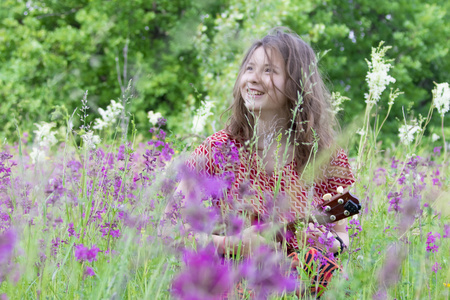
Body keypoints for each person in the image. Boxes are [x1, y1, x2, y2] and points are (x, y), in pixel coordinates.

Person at [165, 27, 356, 298]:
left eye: (269, 71)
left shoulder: (326, 155)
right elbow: (169, 227)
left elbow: (342, 237)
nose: (253, 79)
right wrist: (231, 244)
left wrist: (324, 241)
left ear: (296, 84)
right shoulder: (219, 148)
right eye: (250, 68)